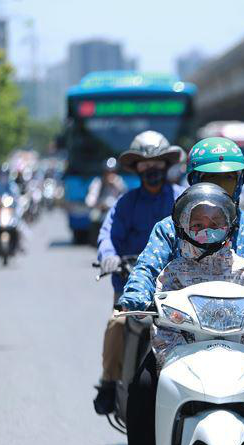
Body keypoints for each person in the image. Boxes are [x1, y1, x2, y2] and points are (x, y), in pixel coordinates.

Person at [122, 137, 244, 445]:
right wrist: (136, 292)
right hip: (181, 340)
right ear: (193, 183)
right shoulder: (170, 227)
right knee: (143, 389)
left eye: (228, 179)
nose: (220, 188)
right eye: (211, 179)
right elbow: (147, 268)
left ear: (240, 181)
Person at [93, 131, 184, 414]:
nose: (152, 170)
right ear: (137, 169)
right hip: (131, 289)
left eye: (157, 163)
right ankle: (108, 383)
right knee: (117, 324)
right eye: (145, 165)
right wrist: (109, 256)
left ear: (167, 165)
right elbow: (108, 235)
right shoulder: (126, 203)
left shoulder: (183, 199)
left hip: (176, 289)